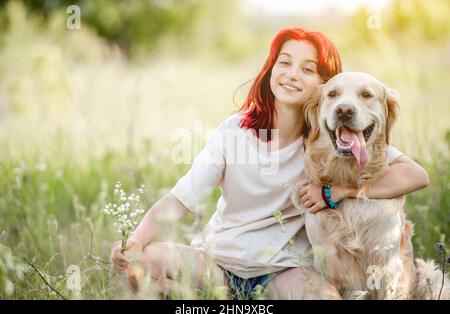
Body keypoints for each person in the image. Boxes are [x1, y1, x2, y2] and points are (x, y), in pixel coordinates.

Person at [110, 27, 430, 300]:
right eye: (284, 63)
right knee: (145, 261)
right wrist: (136, 239)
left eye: (307, 69)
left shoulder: (331, 140)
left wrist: (335, 191)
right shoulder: (235, 132)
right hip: (217, 262)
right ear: (271, 69)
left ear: (323, 84)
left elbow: (414, 175)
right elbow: (182, 198)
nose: (292, 75)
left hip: (283, 271)